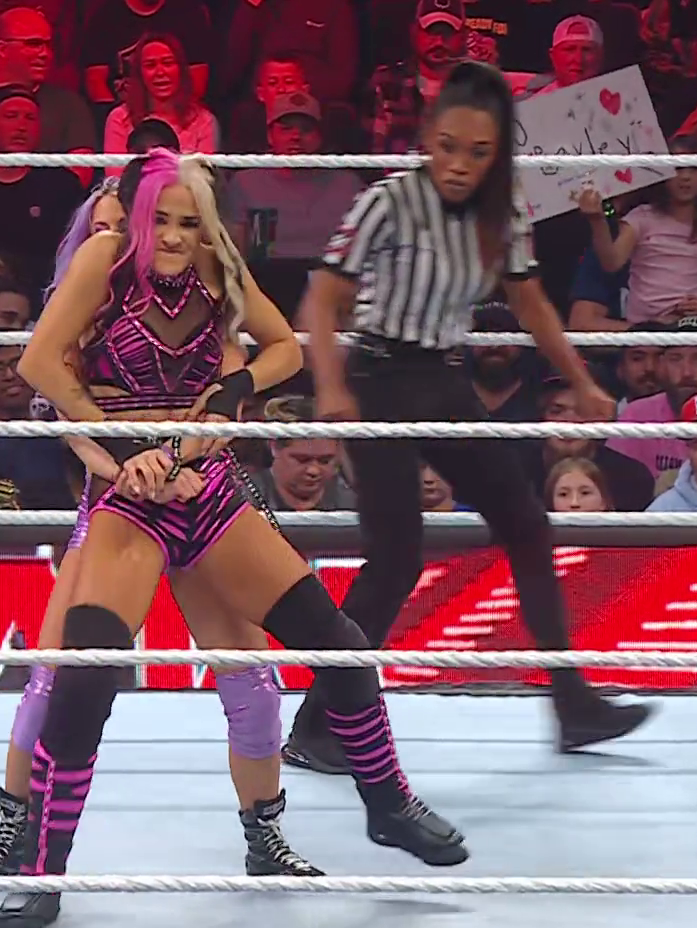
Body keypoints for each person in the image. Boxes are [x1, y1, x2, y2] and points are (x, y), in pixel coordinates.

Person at [0, 148, 468, 928]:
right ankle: (41, 868)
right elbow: (39, 363)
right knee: (83, 677)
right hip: (129, 497)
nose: (174, 237)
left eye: (189, 222)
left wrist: (230, 393)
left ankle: (387, 804)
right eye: (162, 220)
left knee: (339, 646)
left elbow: (284, 348)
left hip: (209, 489)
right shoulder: (104, 261)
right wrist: (119, 445)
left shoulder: (219, 269)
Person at [284, 61, 651, 772]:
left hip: (443, 377)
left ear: (497, 153)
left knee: (527, 524)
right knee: (395, 559)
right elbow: (321, 299)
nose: (458, 165)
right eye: (448, 146)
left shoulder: (502, 210)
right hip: (380, 375)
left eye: (477, 152)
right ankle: (317, 724)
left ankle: (573, 704)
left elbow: (530, 302)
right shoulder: (387, 201)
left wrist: (581, 378)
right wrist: (329, 386)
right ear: (428, 138)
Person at [0, 177, 321, 883]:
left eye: (133, 227)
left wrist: (186, 458)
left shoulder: (203, 300)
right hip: (117, 506)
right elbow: (72, 423)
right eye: (110, 229)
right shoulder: (84, 317)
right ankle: (17, 832)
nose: (132, 242)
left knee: (252, 678)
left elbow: (230, 402)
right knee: (56, 675)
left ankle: (266, 834)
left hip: (204, 501)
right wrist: (133, 466)